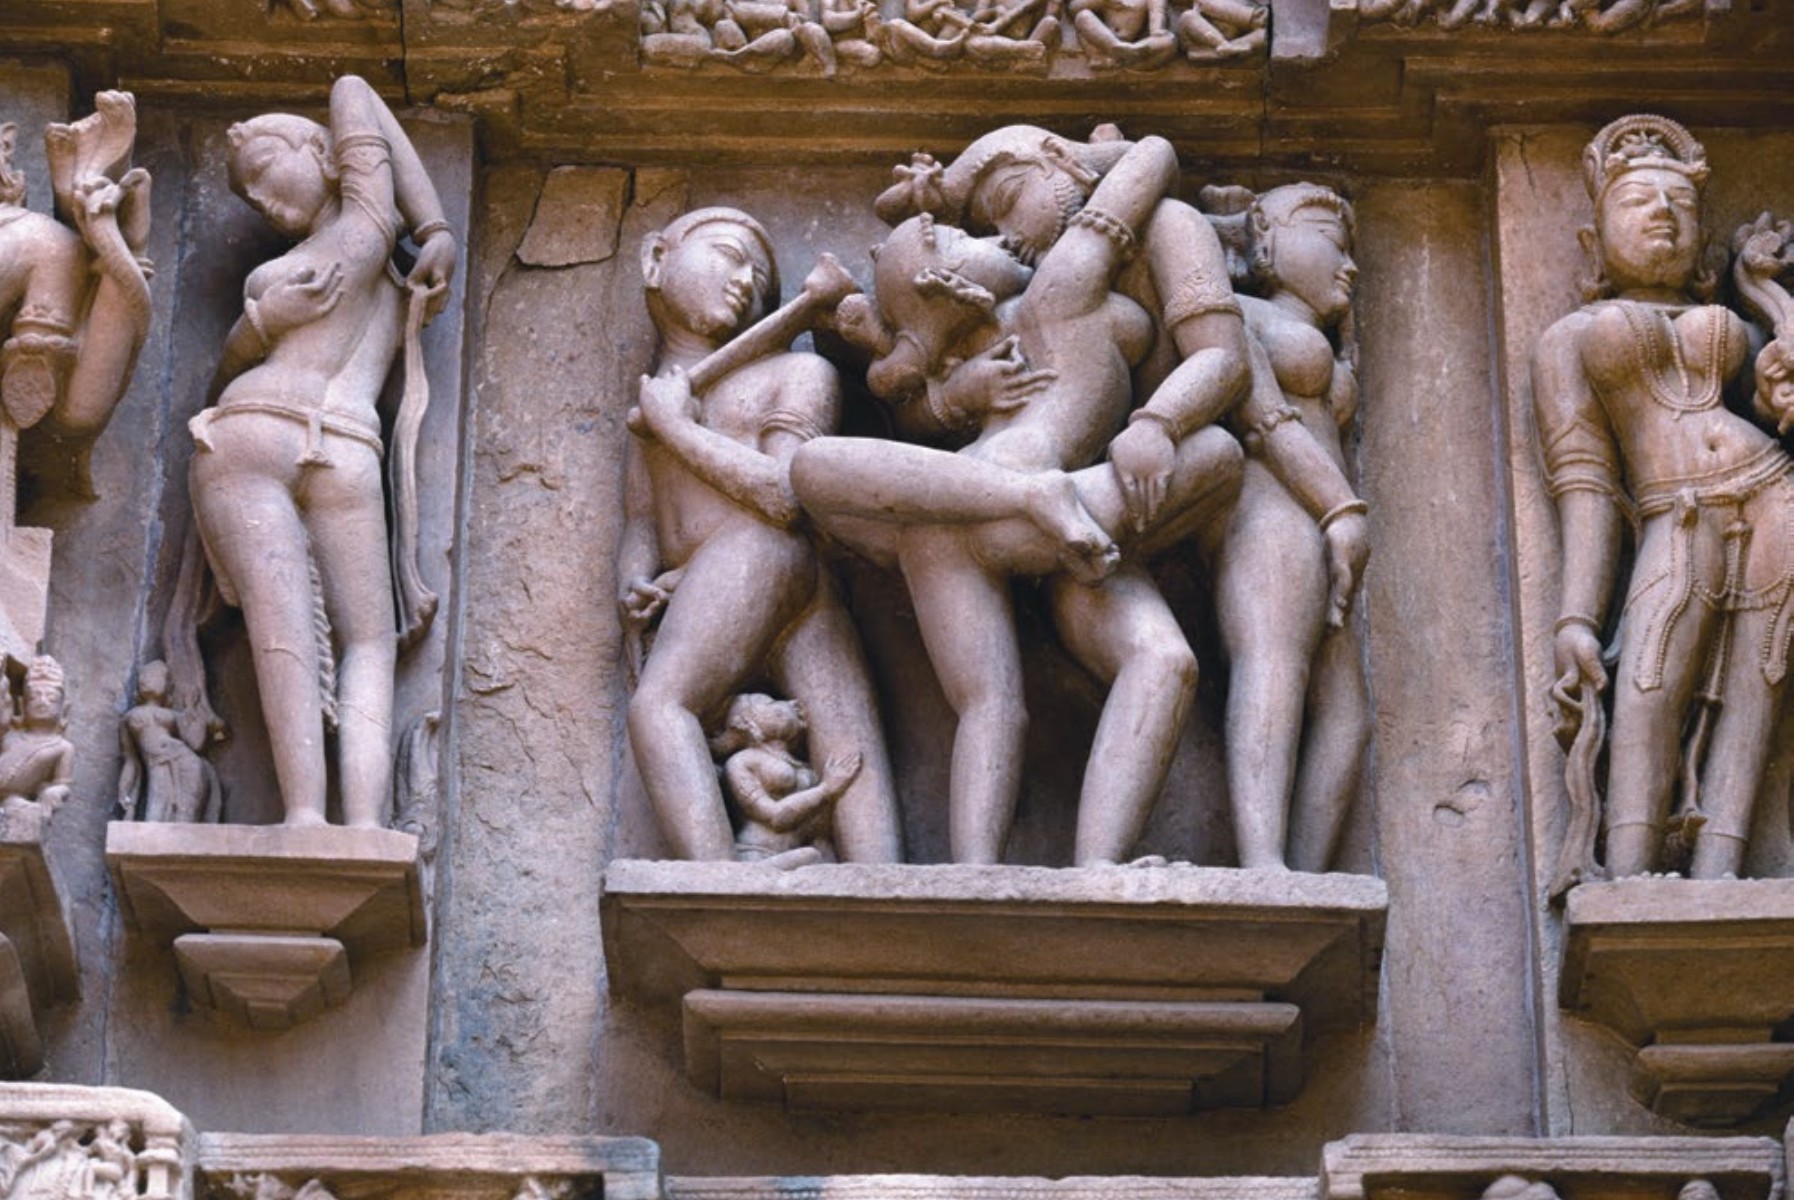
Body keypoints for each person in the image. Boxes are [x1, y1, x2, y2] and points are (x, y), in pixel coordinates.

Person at [874, 125, 1371, 869]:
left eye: (1009, 198)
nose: (1006, 235)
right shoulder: (1047, 285)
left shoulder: (1159, 230)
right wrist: (952, 393)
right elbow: (906, 381)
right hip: (1079, 508)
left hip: (1137, 495)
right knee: (1034, 689)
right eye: (981, 229)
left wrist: (1159, 422)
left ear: (1061, 163)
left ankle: (1228, 870)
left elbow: (1231, 369)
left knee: (1190, 662)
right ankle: (1049, 872)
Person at [791, 136, 1246, 866]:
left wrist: (944, 388)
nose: (1000, 237)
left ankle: (995, 872)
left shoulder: (1006, 334)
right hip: (1042, 507)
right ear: (953, 288)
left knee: (1023, 697)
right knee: (1219, 456)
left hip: (961, 527)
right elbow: (1156, 153)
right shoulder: (1060, 287)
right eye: (968, 238)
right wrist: (1069, 158)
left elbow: (900, 389)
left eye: (994, 215)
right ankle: (1085, 863)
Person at [188, 74, 457, 827]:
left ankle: (334, 820)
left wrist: (435, 225)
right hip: (291, 436)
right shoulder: (357, 245)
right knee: (329, 635)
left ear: (322, 150)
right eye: (248, 197)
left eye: (264, 170)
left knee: (352, 636)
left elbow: (351, 88)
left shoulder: (361, 233)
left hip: (285, 440)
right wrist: (258, 325)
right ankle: (328, 821)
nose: (262, 201)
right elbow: (219, 383)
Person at [1534, 113, 1794, 880]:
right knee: (1649, 682)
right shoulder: (1570, 338)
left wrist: (1763, 297)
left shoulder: (1729, 323)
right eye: (1637, 200)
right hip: (1675, 514)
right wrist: (1576, 619)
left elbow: (1778, 392)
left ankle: (1721, 878)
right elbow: (1584, 481)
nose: (1662, 213)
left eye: (1680, 204)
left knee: (1758, 687)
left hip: (1774, 494)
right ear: (1594, 242)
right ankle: (1628, 873)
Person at [618, 206, 903, 864]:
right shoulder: (656, 406)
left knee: (660, 707)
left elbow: (785, 496)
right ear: (656, 260)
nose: (745, 280)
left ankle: (713, 880)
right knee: (845, 738)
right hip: (736, 577)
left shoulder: (793, 374)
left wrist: (679, 430)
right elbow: (642, 518)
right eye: (727, 254)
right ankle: (879, 883)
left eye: (762, 280)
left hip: (759, 551)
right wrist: (633, 580)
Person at [1200, 182, 1369, 872]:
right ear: (1266, 240)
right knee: (1272, 664)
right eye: (1330, 240)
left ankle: (1302, 872)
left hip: (1320, 520)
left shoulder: (1317, 338)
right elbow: (1266, 422)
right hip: (1269, 510)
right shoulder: (1236, 314)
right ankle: (1264, 862)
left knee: (1348, 717)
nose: (1348, 264)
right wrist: (1342, 509)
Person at [709, 692, 861, 864]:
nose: (788, 703)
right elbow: (776, 817)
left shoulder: (801, 765)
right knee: (811, 856)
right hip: (757, 854)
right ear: (748, 721)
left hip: (800, 850)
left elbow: (817, 828)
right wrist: (825, 789)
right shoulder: (741, 762)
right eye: (769, 703)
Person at [117, 660, 222, 823]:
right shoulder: (129, 718)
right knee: (154, 815)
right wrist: (125, 794)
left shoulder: (175, 715)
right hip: (156, 764)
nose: (147, 679)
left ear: (168, 686)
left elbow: (196, 743)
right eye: (144, 675)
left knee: (185, 816)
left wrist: (191, 709)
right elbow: (131, 761)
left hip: (186, 762)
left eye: (156, 675)